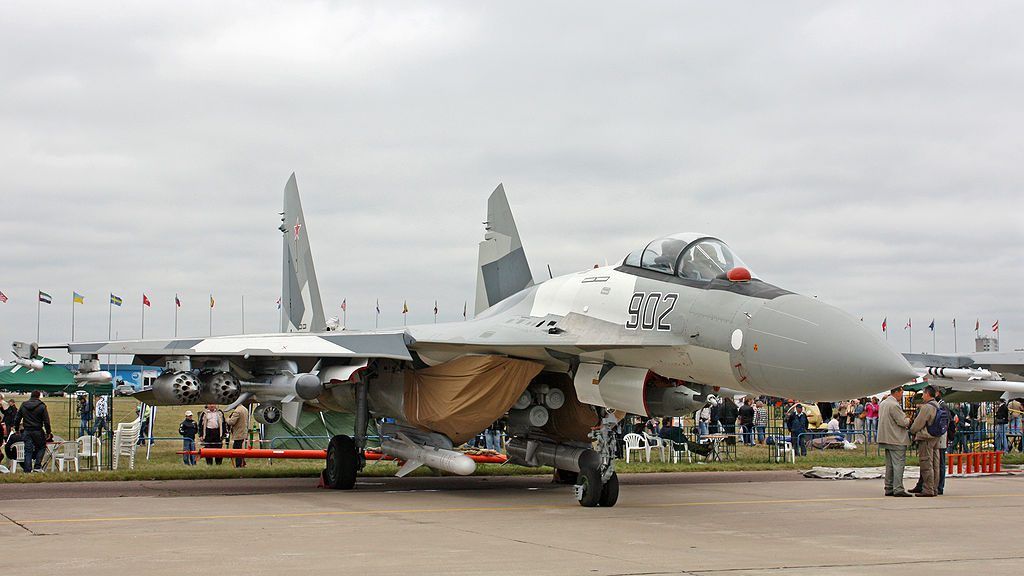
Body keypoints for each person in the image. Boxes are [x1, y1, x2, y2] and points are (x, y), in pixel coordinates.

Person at [877, 386, 912, 497]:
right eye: (901, 392)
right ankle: (898, 488)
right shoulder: (894, 405)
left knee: (890, 465)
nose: (902, 395)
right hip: (896, 439)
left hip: (885, 437)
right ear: (896, 392)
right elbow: (903, 422)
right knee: (898, 465)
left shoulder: (883, 403)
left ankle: (889, 487)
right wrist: (909, 419)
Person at [908, 385, 941, 497]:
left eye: (923, 394)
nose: (922, 396)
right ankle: (934, 488)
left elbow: (918, 424)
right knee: (935, 464)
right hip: (935, 437)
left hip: (926, 438)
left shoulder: (927, 407)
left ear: (927, 394)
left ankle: (928, 489)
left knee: (926, 464)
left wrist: (912, 430)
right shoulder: (937, 405)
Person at [14, 391, 52, 472]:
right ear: (38, 396)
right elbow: (46, 421)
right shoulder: (42, 406)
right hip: (38, 430)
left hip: (27, 430)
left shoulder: (24, 405)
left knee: (28, 450)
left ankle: (27, 469)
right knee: (42, 447)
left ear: (31, 396)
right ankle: (37, 466)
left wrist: (17, 429)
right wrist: (48, 432)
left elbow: (17, 418)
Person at [226, 403, 250, 468]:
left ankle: (239, 464)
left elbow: (231, 422)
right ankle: (243, 463)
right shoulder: (244, 409)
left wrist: (227, 419)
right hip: (243, 431)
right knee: (240, 448)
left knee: (237, 449)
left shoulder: (237, 411)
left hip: (238, 433)